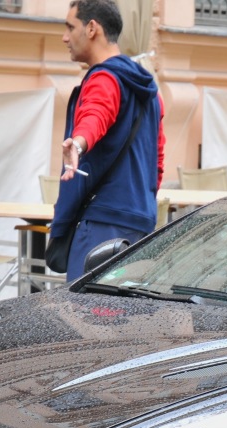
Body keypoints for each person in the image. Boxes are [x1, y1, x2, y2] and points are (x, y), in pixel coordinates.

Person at [52, 0, 164, 280]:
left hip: (103, 224)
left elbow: (96, 113)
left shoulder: (105, 78)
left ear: (92, 28)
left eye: (70, 27)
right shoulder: (149, 88)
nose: (65, 37)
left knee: (84, 316)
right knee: (122, 319)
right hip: (141, 220)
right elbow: (157, 158)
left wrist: (78, 143)